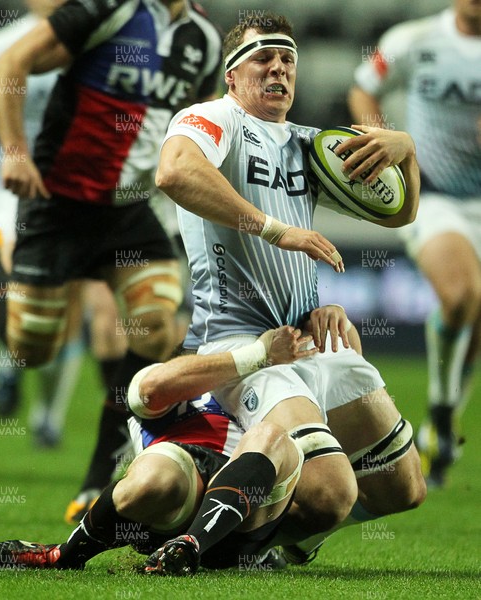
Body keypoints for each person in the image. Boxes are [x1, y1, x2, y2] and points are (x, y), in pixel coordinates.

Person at [146, 12, 426, 573]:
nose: (279, 67)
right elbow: (174, 173)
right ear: (231, 74)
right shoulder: (212, 118)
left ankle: (279, 541)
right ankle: (209, 543)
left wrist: (407, 150)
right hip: (244, 346)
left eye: (289, 58)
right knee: (328, 491)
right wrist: (277, 228)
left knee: (403, 488)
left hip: (310, 337)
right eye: (263, 56)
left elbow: (399, 212)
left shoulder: (308, 144)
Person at [0, 0, 222, 518]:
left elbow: (203, 128)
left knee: (155, 329)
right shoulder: (108, 9)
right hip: (58, 201)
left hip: (130, 211)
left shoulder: (205, 43)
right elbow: (9, 64)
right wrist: (14, 152)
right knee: (32, 349)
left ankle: (97, 480)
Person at [0, 325, 311, 572]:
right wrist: (257, 353)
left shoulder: (273, 385)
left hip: (250, 516)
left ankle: (204, 547)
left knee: (271, 435)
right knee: (154, 474)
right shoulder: (155, 379)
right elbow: (151, 391)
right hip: (179, 499)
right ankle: (66, 555)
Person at [348, 0, 481, 487]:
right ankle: (443, 418)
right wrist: (380, 144)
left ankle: (440, 421)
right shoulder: (415, 39)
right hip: (436, 195)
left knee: (475, 316)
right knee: (461, 295)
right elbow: (364, 89)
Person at [0, 0, 91, 446]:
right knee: (13, 269)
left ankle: (47, 415)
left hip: (79, 194)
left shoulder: (95, 43)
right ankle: (8, 361)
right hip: (15, 187)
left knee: (68, 306)